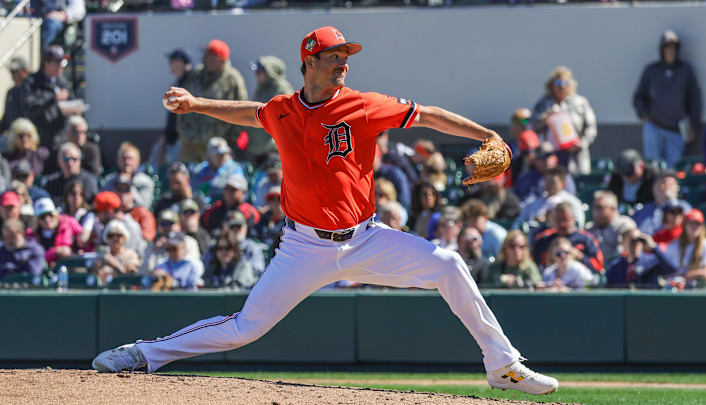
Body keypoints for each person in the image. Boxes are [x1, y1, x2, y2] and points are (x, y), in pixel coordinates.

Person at [93, 26, 559, 395]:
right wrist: (196, 103)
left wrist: (485, 137)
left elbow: (431, 114)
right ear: (309, 62)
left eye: (346, 56)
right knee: (245, 328)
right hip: (303, 246)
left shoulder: (364, 105)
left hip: (367, 238)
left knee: (449, 264)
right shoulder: (282, 110)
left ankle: (503, 365)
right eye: (334, 56)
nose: (343, 63)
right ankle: (144, 355)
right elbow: (249, 111)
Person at [633, 30, 703, 168]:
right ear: (661, 49)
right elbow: (638, 97)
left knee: (672, 170)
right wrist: (644, 114)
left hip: (676, 130)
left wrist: (693, 127)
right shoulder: (651, 70)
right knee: (653, 168)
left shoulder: (685, 70)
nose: (670, 51)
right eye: (667, 47)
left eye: (673, 47)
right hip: (654, 127)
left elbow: (695, 99)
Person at [176, 39, 248, 162]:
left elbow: (242, 108)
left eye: (209, 55)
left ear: (219, 59)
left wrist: (231, 139)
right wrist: (183, 131)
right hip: (191, 142)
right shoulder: (195, 75)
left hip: (217, 143)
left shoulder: (232, 80)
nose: (204, 58)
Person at [531, 66, 597, 174]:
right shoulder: (543, 103)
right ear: (552, 85)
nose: (562, 86)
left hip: (574, 154)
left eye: (565, 83)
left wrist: (582, 143)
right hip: (550, 153)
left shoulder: (580, 102)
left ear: (570, 85)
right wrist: (545, 119)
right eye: (558, 83)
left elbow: (591, 127)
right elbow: (531, 125)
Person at [22, 46, 73, 149]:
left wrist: (74, 108)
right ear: (46, 63)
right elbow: (28, 107)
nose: (61, 66)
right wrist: (52, 99)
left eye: (62, 63)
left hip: (61, 139)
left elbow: (73, 100)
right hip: (39, 141)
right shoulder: (32, 81)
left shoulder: (63, 81)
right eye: (57, 63)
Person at [150, 49, 193, 169]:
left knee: (178, 169)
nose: (170, 65)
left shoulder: (191, 82)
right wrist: (165, 135)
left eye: (173, 61)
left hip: (184, 139)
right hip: (173, 137)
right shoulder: (180, 82)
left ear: (180, 62)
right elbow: (172, 115)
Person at [245, 56, 294, 161]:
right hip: (257, 149)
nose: (257, 74)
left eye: (260, 71)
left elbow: (285, 120)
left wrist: (274, 145)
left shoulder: (282, 89)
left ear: (271, 72)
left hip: (273, 151)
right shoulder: (261, 88)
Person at [533, 202, 604, 274]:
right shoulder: (544, 239)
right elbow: (534, 265)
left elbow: (599, 267)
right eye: (559, 220)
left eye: (565, 219)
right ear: (553, 220)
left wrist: (580, 257)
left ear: (573, 219)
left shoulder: (586, 239)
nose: (562, 224)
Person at [512, 166, 585, 230]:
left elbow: (579, 224)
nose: (549, 185)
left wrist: (551, 222)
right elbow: (518, 223)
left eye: (552, 182)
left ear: (563, 183)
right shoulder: (535, 202)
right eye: (547, 181)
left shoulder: (572, 201)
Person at [605, 228, 675, 289]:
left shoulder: (651, 263)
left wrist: (654, 248)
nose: (636, 244)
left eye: (640, 240)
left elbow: (671, 270)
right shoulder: (615, 267)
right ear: (623, 243)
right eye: (632, 241)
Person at [664, 209, 706, 290]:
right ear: (684, 226)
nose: (694, 227)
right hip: (675, 289)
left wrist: (680, 277)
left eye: (697, 224)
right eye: (691, 223)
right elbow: (667, 270)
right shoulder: (674, 244)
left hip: (699, 291)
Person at [139, 209, 200, 274]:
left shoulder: (189, 242)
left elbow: (193, 267)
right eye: (163, 224)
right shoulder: (155, 244)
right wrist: (154, 251)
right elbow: (143, 272)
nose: (166, 227)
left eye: (170, 223)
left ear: (178, 225)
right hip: (159, 281)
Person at [633, 171, 691, 235]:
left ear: (677, 188)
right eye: (662, 183)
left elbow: (687, 229)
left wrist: (672, 201)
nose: (666, 188)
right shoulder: (644, 209)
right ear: (654, 188)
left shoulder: (684, 207)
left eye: (670, 184)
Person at [190, 137, 246, 203]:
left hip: (225, 205)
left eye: (224, 153)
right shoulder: (200, 170)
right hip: (202, 205)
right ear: (210, 155)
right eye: (218, 154)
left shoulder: (235, 169)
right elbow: (194, 190)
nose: (222, 156)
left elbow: (237, 194)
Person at [586, 191, 636, 263]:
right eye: (594, 207)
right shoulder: (589, 227)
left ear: (613, 209)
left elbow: (626, 253)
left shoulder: (624, 225)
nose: (595, 210)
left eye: (600, 207)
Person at [30, 197, 81, 267]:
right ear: (37, 220)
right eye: (42, 217)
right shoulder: (32, 236)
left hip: (71, 267)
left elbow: (84, 242)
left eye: (50, 215)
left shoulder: (69, 223)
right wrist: (55, 252)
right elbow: (33, 259)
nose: (47, 219)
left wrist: (78, 252)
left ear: (56, 214)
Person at [91, 191, 145, 257]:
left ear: (109, 212)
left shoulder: (126, 226)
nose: (97, 216)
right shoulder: (112, 224)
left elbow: (124, 256)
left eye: (98, 212)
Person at [102, 142, 155, 209]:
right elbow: (103, 202)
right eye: (124, 158)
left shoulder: (145, 182)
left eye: (130, 158)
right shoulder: (109, 180)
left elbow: (145, 206)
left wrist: (129, 186)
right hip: (112, 214)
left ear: (138, 161)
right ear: (118, 160)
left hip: (136, 215)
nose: (127, 162)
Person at [91, 219, 140, 285]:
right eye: (111, 235)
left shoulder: (131, 254)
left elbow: (131, 275)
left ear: (124, 237)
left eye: (119, 235)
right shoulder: (102, 255)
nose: (115, 238)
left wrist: (112, 263)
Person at [116, 174, 156, 243]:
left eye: (126, 190)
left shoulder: (142, 213)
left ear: (132, 193)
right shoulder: (111, 212)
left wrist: (126, 220)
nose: (123, 194)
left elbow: (147, 239)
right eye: (120, 190)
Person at [60, 180, 94, 248]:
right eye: (73, 193)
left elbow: (83, 240)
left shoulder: (88, 215)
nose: (77, 197)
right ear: (67, 196)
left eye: (80, 194)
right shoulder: (60, 213)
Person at [1, 57, 30, 134]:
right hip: (12, 135)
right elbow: (6, 117)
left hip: (27, 136)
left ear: (25, 71)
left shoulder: (33, 91)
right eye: (11, 71)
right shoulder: (11, 92)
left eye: (15, 71)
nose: (12, 74)